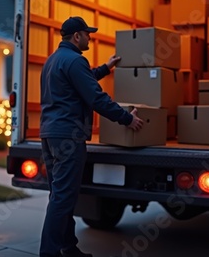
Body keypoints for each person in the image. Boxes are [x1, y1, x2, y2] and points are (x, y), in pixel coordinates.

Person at [39, 16, 144, 257]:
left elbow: (81, 82)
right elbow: (96, 98)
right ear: (77, 36)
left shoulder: (53, 60)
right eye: (88, 34)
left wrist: (106, 68)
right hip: (68, 137)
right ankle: (49, 253)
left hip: (49, 135)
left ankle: (68, 248)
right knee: (63, 198)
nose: (90, 38)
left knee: (60, 195)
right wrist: (127, 118)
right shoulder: (76, 61)